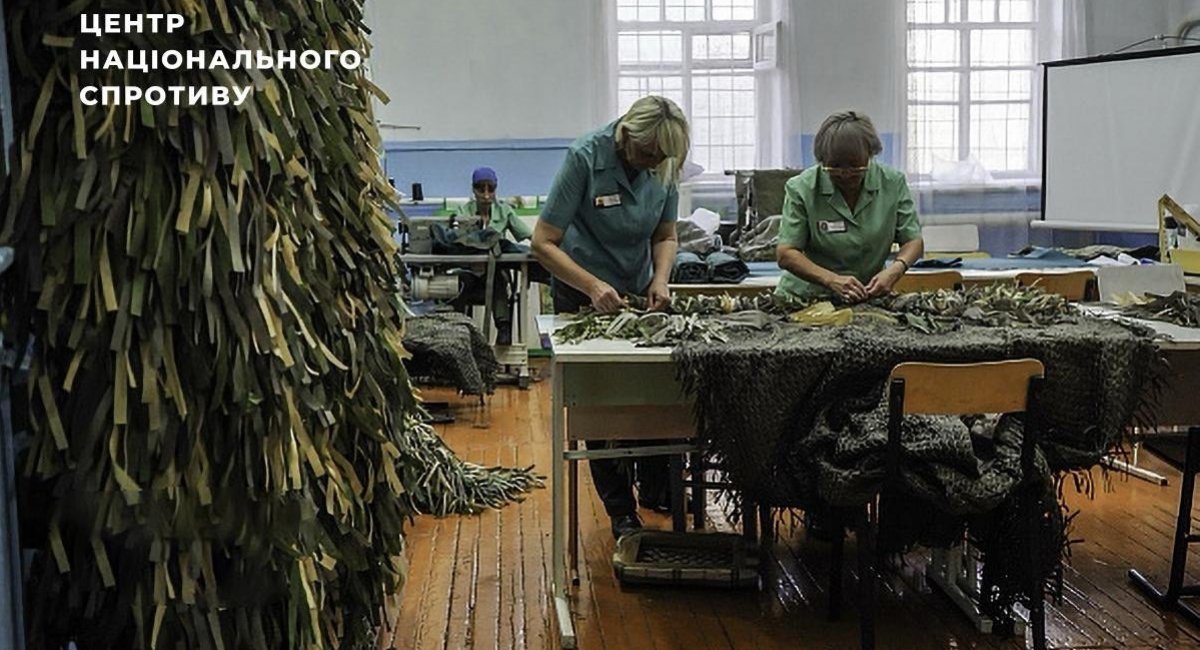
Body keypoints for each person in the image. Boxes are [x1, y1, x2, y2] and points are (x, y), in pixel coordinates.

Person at [532, 95, 689, 539]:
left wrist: (660, 278)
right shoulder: (585, 156)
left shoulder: (662, 164)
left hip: (638, 292)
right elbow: (544, 242)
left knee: (653, 391)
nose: (650, 164)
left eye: (659, 158)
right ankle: (620, 508)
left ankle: (658, 487)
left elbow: (666, 233)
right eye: (645, 154)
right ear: (625, 136)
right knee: (598, 401)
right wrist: (592, 286)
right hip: (583, 290)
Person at [775, 111, 924, 304]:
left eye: (855, 166)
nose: (845, 174)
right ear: (821, 160)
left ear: (870, 155)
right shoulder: (801, 188)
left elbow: (913, 241)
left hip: (866, 296)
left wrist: (895, 270)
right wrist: (830, 280)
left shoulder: (892, 183)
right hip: (806, 297)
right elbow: (786, 253)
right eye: (834, 167)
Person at [449, 167, 532, 345]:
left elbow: (529, 235)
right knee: (457, 283)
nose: (486, 195)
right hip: (469, 271)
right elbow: (456, 239)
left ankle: (503, 329)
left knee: (498, 282)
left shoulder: (505, 212)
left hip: (495, 272)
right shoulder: (463, 211)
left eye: (491, 189)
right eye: (481, 189)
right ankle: (457, 332)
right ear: (473, 189)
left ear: (496, 189)